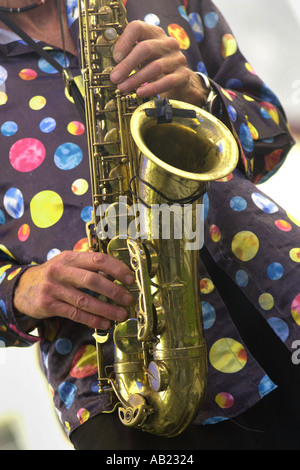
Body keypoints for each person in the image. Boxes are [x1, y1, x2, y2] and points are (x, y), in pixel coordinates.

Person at [0, 0, 298, 450]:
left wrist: (202, 93)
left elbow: (273, 134)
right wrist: (20, 289)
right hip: (122, 385)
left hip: (275, 303)